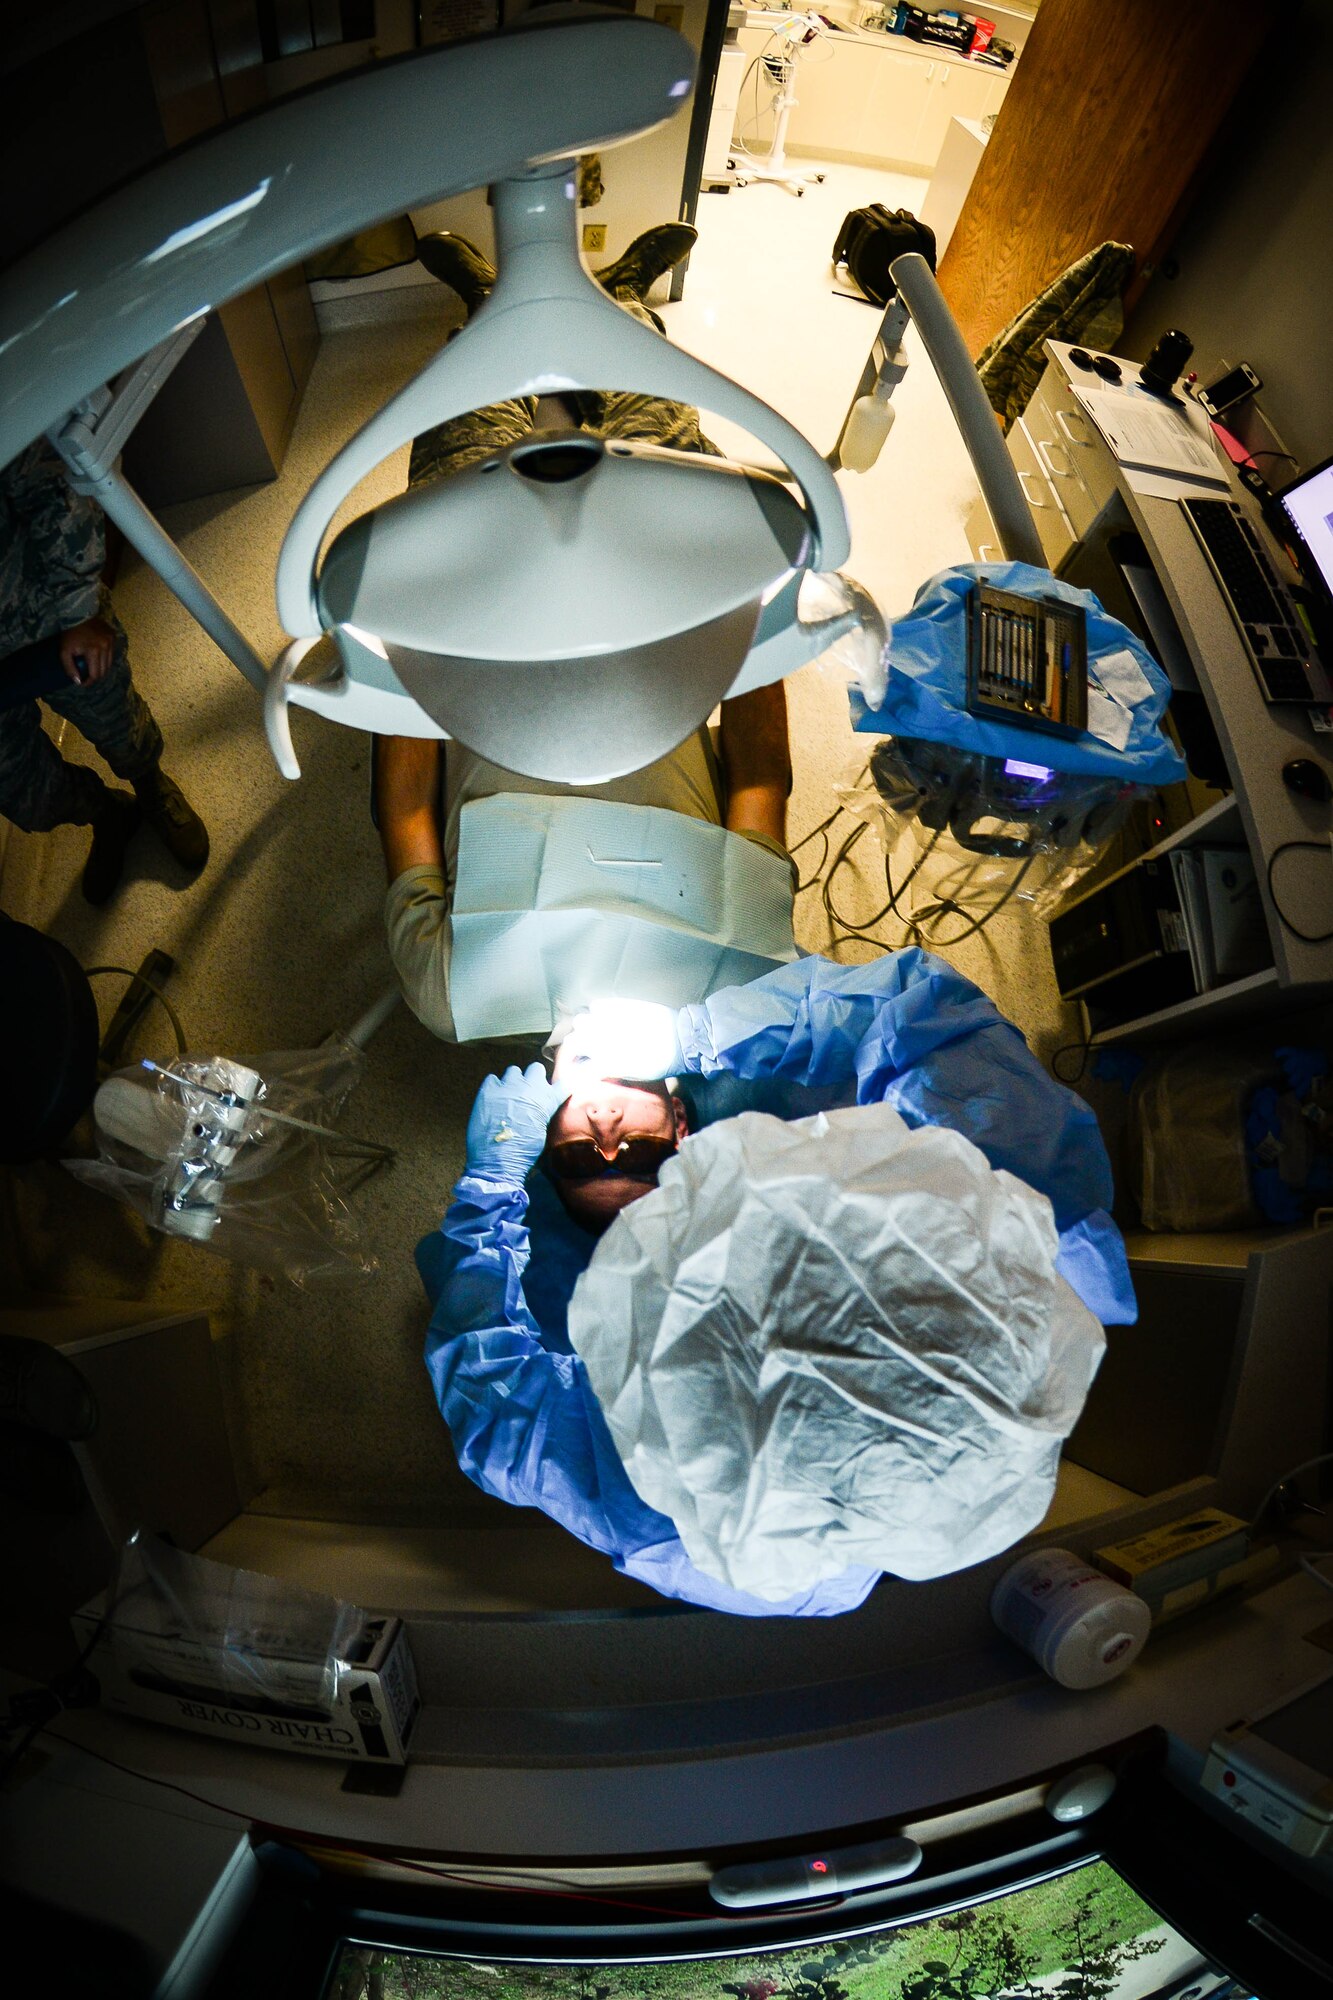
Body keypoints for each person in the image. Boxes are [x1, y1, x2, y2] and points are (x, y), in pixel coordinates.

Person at [417, 952, 1136, 1616]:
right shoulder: (1028, 1215)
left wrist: (489, 1187)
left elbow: (497, 1410)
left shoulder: (665, 1518)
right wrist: (690, 1033)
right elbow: (915, 1010)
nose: (606, 1136)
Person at [375, 223, 798, 1042]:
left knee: (471, 411)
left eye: (579, 1156)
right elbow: (757, 783)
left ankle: (486, 303)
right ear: (677, 1122)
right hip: (652, 610)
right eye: (634, 1152)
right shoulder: (735, 978)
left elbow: (404, 815)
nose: (606, 1135)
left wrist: (406, 637)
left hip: (482, 616)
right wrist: (746, 604)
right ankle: (621, 296)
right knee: (649, 406)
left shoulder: (454, 995)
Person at [0, 440, 208, 904]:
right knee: (28, 796)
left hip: (40, 614)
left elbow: (46, 477)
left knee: (112, 713)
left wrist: (78, 608)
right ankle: (110, 815)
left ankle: (148, 783)